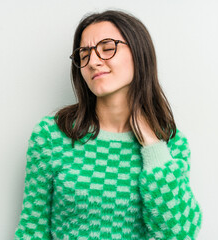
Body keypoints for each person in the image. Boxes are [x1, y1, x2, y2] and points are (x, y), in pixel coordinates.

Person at [14, 9, 202, 240]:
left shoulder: (171, 144)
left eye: (107, 48)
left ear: (138, 53)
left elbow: (179, 232)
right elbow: (32, 230)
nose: (93, 62)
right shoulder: (52, 135)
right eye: (84, 54)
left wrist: (152, 145)